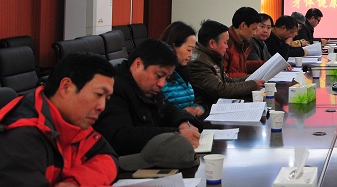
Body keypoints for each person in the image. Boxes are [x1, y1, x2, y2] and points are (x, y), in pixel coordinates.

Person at [0, 53, 118, 187]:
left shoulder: (75, 122)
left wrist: (76, 182)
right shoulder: (20, 137)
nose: (102, 106)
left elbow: (108, 157)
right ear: (66, 87)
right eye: (98, 94)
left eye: (106, 98)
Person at [94, 39, 203, 157]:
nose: (162, 84)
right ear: (138, 64)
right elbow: (121, 137)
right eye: (159, 75)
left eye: (167, 78)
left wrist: (183, 122)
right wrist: (176, 135)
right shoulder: (113, 89)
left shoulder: (149, 88)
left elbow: (169, 110)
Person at [189, 19, 264, 110]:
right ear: (212, 43)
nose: (227, 46)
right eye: (225, 43)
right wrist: (252, 84)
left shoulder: (212, 55)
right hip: (205, 109)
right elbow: (220, 89)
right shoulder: (199, 62)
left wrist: (251, 78)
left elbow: (227, 80)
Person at [159, 21, 205, 117]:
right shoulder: (160, 74)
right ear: (173, 46)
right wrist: (181, 113)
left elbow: (189, 101)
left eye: (192, 50)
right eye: (188, 50)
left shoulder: (183, 70)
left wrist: (197, 108)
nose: (190, 54)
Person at [223, 7, 262, 78]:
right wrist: (248, 77)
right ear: (243, 25)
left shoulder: (242, 43)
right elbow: (223, 76)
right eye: (254, 29)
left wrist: (265, 65)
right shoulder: (225, 44)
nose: (255, 33)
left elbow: (240, 67)